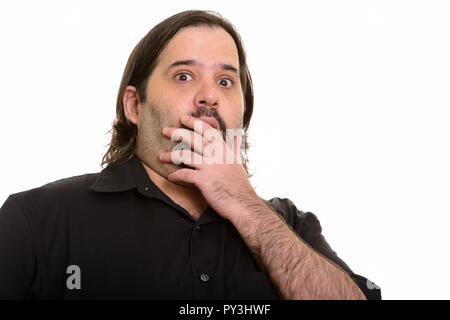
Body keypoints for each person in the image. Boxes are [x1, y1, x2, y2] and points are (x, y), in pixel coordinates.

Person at [0, 10, 381, 300]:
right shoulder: (37, 220)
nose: (209, 96)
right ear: (134, 105)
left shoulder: (291, 226)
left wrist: (243, 203)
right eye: (184, 76)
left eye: (226, 81)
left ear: (243, 114)